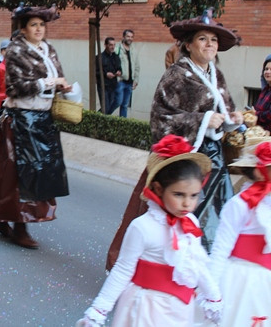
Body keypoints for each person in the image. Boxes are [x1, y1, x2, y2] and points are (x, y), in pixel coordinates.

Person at [106, 12, 244, 269]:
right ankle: (161, 268)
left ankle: (203, 272)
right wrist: (201, 120)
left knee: (215, 214)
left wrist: (231, 118)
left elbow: (222, 114)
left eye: (213, 39)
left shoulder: (217, 75)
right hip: (182, 156)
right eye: (203, 39)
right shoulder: (176, 74)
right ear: (189, 45)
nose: (209, 44)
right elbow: (160, 118)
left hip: (213, 159)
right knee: (176, 214)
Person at [77, 135, 222, 327]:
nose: (187, 203)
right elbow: (122, 270)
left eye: (194, 195)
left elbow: (197, 264)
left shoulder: (190, 222)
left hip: (180, 308)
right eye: (178, 194)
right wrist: (99, 309)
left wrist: (214, 297)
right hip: (147, 307)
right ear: (158, 189)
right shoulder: (142, 226)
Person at [0, 4, 70, 249]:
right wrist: (49, 81)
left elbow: (57, 78)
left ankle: (0, 218)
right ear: (23, 28)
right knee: (18, 174)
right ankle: (19, 226)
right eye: (33, 25)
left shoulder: (49, 50)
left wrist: (62, 86)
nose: (39, 29)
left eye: (41, 25)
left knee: (37, 173)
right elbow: (14, 87)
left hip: (44, 119)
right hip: (21, 118)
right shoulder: (15, 50)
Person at [211, 137, 271, 326]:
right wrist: (211, 293)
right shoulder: (238, 205)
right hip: (242, 282)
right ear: (259, 171)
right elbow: (220, 250)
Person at [114, 29, 139, 117]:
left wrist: (136, 80)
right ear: (123, 37)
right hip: (120, 81)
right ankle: (103, 114)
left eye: (132, 37)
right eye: (128, 36)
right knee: (117, 102)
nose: (130, 39)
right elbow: (113, 63)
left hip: (130, 82)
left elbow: (137, 67)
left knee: (125, 105)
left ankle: (122, 122)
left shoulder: (134, 51)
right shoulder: (117, 49)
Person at [95, 37, 121, 114]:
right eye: (110, 45)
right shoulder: (99, 57)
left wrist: (119, 72)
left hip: (113, 85)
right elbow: (96, 72)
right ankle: (97, 119)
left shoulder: (116, 57)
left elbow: (119, 68)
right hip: (103, 86)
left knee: (110, 106)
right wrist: (106, 74)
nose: (113, 47)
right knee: (105, 107)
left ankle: (97, 118)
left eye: (114, 45)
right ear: (105, 45)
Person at [255, 57, 271, 132]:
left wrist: (255, 114)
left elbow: (269, 115)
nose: (268, 72)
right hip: (260, 133)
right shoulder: (266, 90)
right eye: (266, 69)